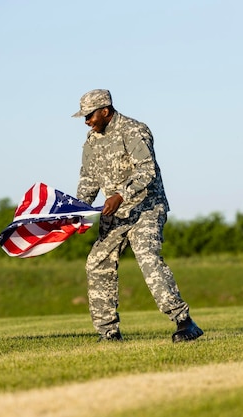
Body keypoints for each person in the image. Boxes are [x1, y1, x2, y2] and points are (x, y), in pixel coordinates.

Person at [72, 89, 203, 343]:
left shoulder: (134, 130)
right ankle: (108, 333)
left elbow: (147, 170)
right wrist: (79, 210)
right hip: (115, 214)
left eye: (89, 115)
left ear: (105, 111)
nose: (86, 121)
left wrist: (120, 195)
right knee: (97, 263)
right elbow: (88, 181)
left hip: (146, 208)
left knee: (148, 259)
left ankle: (185, 322)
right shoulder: (91, 141)